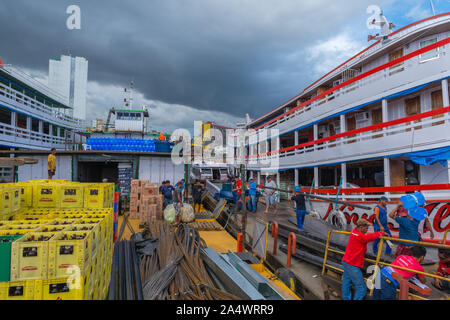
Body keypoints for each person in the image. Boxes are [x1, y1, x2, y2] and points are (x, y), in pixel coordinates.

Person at [342, 219, 385, 300]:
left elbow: (367, 236)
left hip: (346, 261)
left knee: (346, 283)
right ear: (361, 227)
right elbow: (370, 237)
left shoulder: (354, 231)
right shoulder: (361, 236)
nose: (367, 230)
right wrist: (381, 233)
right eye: (366, 228)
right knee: (361, 288)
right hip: (352, 264)